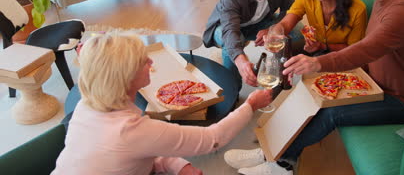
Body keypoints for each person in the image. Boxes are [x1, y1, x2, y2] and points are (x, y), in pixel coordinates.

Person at [224, 0, 404, 175]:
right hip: (373, 82)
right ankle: (270, 150)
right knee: (310, 91)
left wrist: (318, 62)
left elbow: (364, 50)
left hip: (401, 100)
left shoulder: (402, 12)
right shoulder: (384, 0)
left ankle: (281, 164)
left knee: (331, 111)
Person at [51, 33, 272, 175]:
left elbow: (132, 151)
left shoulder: (87, 104)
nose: (151, 61)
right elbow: (212, 139)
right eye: (142, 61)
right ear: (125, 77)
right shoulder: (131, 131)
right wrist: (250, 104)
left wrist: (175, 165)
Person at [203, 0, 302, 88]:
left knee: (297, 31)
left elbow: (289, 9)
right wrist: (241, 61)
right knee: (234, 43)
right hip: (225, 27)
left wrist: (272, 29)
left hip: (261, 21)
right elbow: (230, 31)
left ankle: (283, 70)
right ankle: (231, 89)